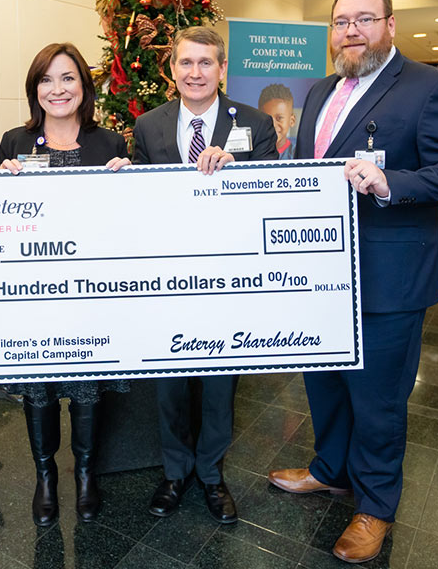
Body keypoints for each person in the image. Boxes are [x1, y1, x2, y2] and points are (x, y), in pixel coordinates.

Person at [267, 0, 438, 564]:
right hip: (319, 275)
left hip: (388, 281)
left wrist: (392, 182)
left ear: (390, 24)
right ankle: (330, 470)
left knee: (379, 399)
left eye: (365, 19)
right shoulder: (316, 91)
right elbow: (303, 169)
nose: (351, 31)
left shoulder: (429, 87)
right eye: (341, 22)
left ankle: (375, 507)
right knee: (325, 384)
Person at [132, 26, 277, 524]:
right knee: (169, 382)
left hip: (228, 279)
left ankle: (212, 476)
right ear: (172, 70)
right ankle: (175, 472)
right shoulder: (148, 126)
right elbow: (137, 199)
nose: (195, 73)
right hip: (166, 276)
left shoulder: (256, 123)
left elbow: (274, 192)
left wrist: (238, 169)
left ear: (222, 70)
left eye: (206, 63)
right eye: (186, 63)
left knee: (220, 384)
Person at [0, 42, 130, 527]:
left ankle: (87, 475)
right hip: (34, 297)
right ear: (35, 89)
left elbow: (126, 226)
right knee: (40, 387)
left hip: (91, 297)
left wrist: (130, 184)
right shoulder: (14, 142)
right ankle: (46, 476)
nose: (58, 89)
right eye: (47, 80)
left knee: (88, 387)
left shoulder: (110, 144)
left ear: (84, 86)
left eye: (68, 78)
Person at [258, 83, 296, 160]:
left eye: (279, 118)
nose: (274, 124)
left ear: (292, 121)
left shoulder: (298, 155)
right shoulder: (254, 153)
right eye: (268, 118)